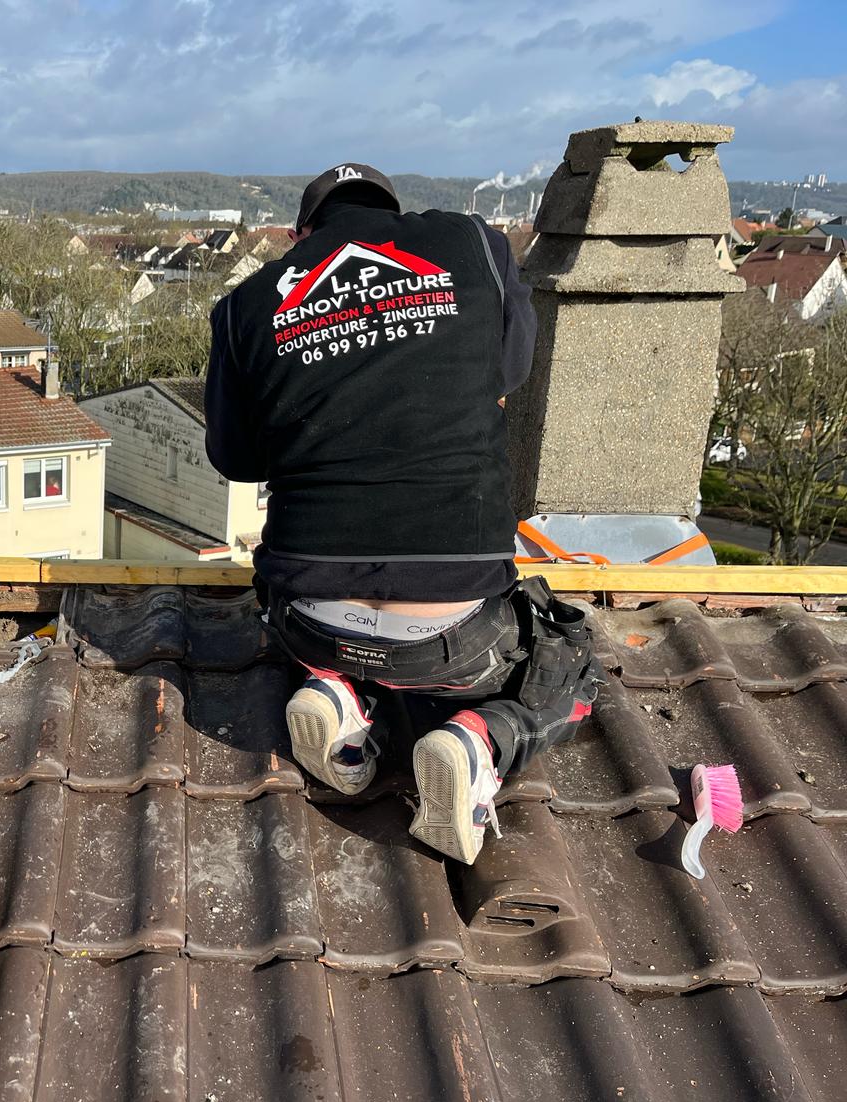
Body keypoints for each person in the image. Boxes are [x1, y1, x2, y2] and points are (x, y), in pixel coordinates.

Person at [204, 162, 600, 865]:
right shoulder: (471, 244)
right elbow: (509, 369)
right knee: (566, 660)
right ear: (395, 215)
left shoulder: (246, 305)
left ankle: (338, 692)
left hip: (307, 617)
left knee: (359, 651)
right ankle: (482, 739)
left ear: (299, 236)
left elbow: (236, 459)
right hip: (454, 628)